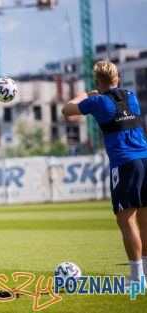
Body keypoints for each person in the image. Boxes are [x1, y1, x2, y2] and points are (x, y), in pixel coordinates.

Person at [62, 60, 147, 285]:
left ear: (98, 82)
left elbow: (67, 110)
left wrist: (82, 95)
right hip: (145, 158)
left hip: (125, 163)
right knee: (145, 220)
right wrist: (98, 92)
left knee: (126, 221)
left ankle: (137, 278)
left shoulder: (98, 102)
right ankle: (145, 275)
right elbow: (113, 101)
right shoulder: (131, 96)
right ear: (118, 78)